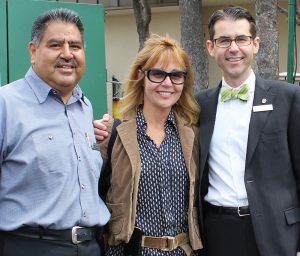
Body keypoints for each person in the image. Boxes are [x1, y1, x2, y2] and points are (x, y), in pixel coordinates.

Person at [0, 8, 110, 256]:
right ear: (33, 51)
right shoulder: (6, 104)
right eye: (55, 45)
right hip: (29, 246)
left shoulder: (84, 107)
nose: (67, 54)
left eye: (75, 46)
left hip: (90, 246)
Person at [196, 6, 300, 256]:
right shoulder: (199, 105)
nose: (233, 48)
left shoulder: (288, 98)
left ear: (255, 44)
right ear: (211, 47)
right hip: (217, 232)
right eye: (224, 40)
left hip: (277, 234)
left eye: (241, 39)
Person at [95, 35, 203, 255]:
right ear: (141, 76)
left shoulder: (194, 135)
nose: (167, 83)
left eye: (176, 75)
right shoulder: (114, 134)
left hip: (182, 251)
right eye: (157, 74)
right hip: (131, 251)